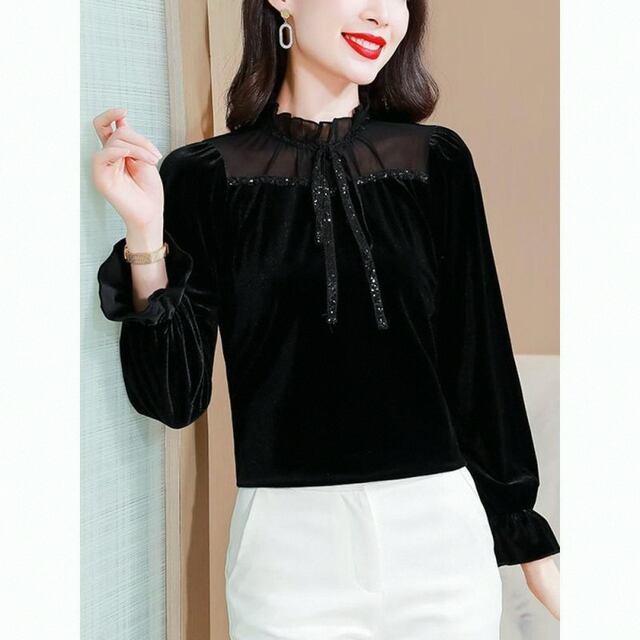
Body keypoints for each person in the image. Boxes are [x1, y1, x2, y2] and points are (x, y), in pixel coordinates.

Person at [92, 1, 560, 637]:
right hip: (287, 554)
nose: (382, 15)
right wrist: (146, 233)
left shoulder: (436, 162)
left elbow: (480, 364)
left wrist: (527, 542)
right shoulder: (204, 176)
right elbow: (173, 398)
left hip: (441, 540)